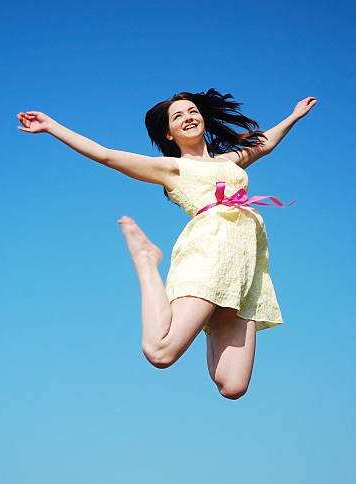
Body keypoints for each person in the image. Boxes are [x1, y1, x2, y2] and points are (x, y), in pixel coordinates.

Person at [17, 89, 316, 399]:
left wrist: (294, 116)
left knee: (232, 386)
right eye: (178, 116)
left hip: (243, 273)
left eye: (192, 112)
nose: (188, 118)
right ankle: (147, 259)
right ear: (169, 134)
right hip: (208, 257)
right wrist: (52, 126)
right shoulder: (173, 170)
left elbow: (263, 144)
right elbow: (105, 154)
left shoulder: (229, 163)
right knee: (160, 352)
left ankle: (206, 314)